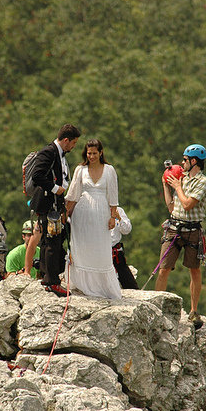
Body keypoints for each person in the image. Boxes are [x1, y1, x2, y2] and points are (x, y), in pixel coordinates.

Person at [155, 144, 206, 329]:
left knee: (194, 270)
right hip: (174, 227)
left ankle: (194, 310)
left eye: (185, 160)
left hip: (192, 230)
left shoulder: (202, 183)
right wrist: (166, 186)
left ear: (194, 161)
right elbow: (172, 207)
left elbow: (187, 204)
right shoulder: (182, 177)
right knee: (164, 268)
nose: (182, 162)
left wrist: (178, 186)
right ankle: (157, 306)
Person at [65, 139, 122, 299]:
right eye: (89, 153)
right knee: (82, 246)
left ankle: (103, 287)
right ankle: (82, 284)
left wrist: (113, 216)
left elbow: (113, 195)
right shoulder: (80, 169)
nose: (91, 156)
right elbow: (73, 193)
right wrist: (66, 212)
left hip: (102, 212)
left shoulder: (109, 170)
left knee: (101, 248)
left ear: (101, 153)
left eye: (94, 153)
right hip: (82, 213)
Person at [30, 123, 81, 297]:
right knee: (53, 241)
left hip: (53, 204)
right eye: (73, 143)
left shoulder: (58, 153)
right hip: (48, 203)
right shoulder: (49, 152)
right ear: (66, 140)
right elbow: (36, 175)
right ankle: (52, 281)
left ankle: (46, 276)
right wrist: (55, 188)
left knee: (48, 239)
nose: (73, 147)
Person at [110, 206, 139, 289]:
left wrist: (119, 218)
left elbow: (126, 230)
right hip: (101, 253)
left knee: (131, 285)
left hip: (116, 254)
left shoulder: (119, 210)